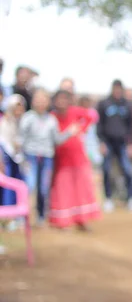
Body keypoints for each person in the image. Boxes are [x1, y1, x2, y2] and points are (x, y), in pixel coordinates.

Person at [18, 89, 78, 225]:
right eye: (38, 99)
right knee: (30, 185)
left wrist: (69, 132)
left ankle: (41, 216)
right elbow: (21, 138)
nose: (40, 102)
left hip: (46, 158)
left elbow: (57, 139)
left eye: (43, 100)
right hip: (30, 156)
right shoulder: (28, 118)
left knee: (43, 188)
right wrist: (21, 156)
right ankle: (22, 216)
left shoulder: (51, 119)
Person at [50, 90, 100, 230]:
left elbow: (90, 117)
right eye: (59, 99)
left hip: (78, 157)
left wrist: (81, 129)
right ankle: (63, 221)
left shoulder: (75, 111)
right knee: (64, 189)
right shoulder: (52, 117)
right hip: (62, 160)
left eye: (64, 99)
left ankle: (82, 220)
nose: (62, 102)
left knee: (81, 190)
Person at [96, 79, 132, 212]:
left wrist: (131, 144)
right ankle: (108, 198)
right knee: (106, 170)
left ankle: (131, 198)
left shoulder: (127, 105)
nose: (117, 91)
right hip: (108, 142)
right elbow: (99, 124)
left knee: (128, 170)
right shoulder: (104, 103)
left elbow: (131, 126)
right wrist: (101, 141)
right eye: (115, 89)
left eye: (120, 89)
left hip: (123, 143)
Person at [78, 96, 102, 167]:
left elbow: (96, 126)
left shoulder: (93, 112)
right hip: (82, 140)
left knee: (95, 163)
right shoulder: (78, 112)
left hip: (92, 141)